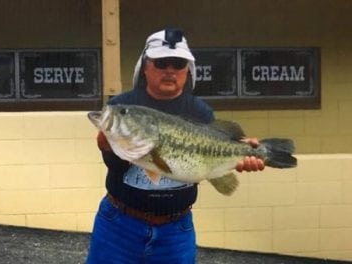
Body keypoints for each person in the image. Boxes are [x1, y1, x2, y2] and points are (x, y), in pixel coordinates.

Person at [86, 28, 264, 264]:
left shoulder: (200, 112)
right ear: (146, 67)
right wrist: (106, 147)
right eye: (161, 63)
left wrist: (244, 152)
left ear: (187, 70)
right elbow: (115, 164)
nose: (170, 70)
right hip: (119, 226)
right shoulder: (124, 105)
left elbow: (210, 156)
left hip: (175, 232)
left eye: (178, 63)